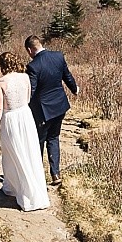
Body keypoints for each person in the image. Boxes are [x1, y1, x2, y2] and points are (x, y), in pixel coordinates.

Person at [0, 51, 50, 212]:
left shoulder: (1, 82)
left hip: (11, 119)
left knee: (13, 155)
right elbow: (28, 99)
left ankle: (19, 190)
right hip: (25, 116)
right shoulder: (25, 77)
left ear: (2, 65)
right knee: (29, 153)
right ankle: (32, 192)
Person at [24, 35, 79, 186]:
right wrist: (75, 89)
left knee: (39, 141)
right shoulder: (58, 56)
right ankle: (55, 174)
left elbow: (32, 90)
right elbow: (67, 76)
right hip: (60, 105)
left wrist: (22, 105)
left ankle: (37, 176)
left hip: (43, 110)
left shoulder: (33, 66)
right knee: (54, 138)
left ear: (30, 50)